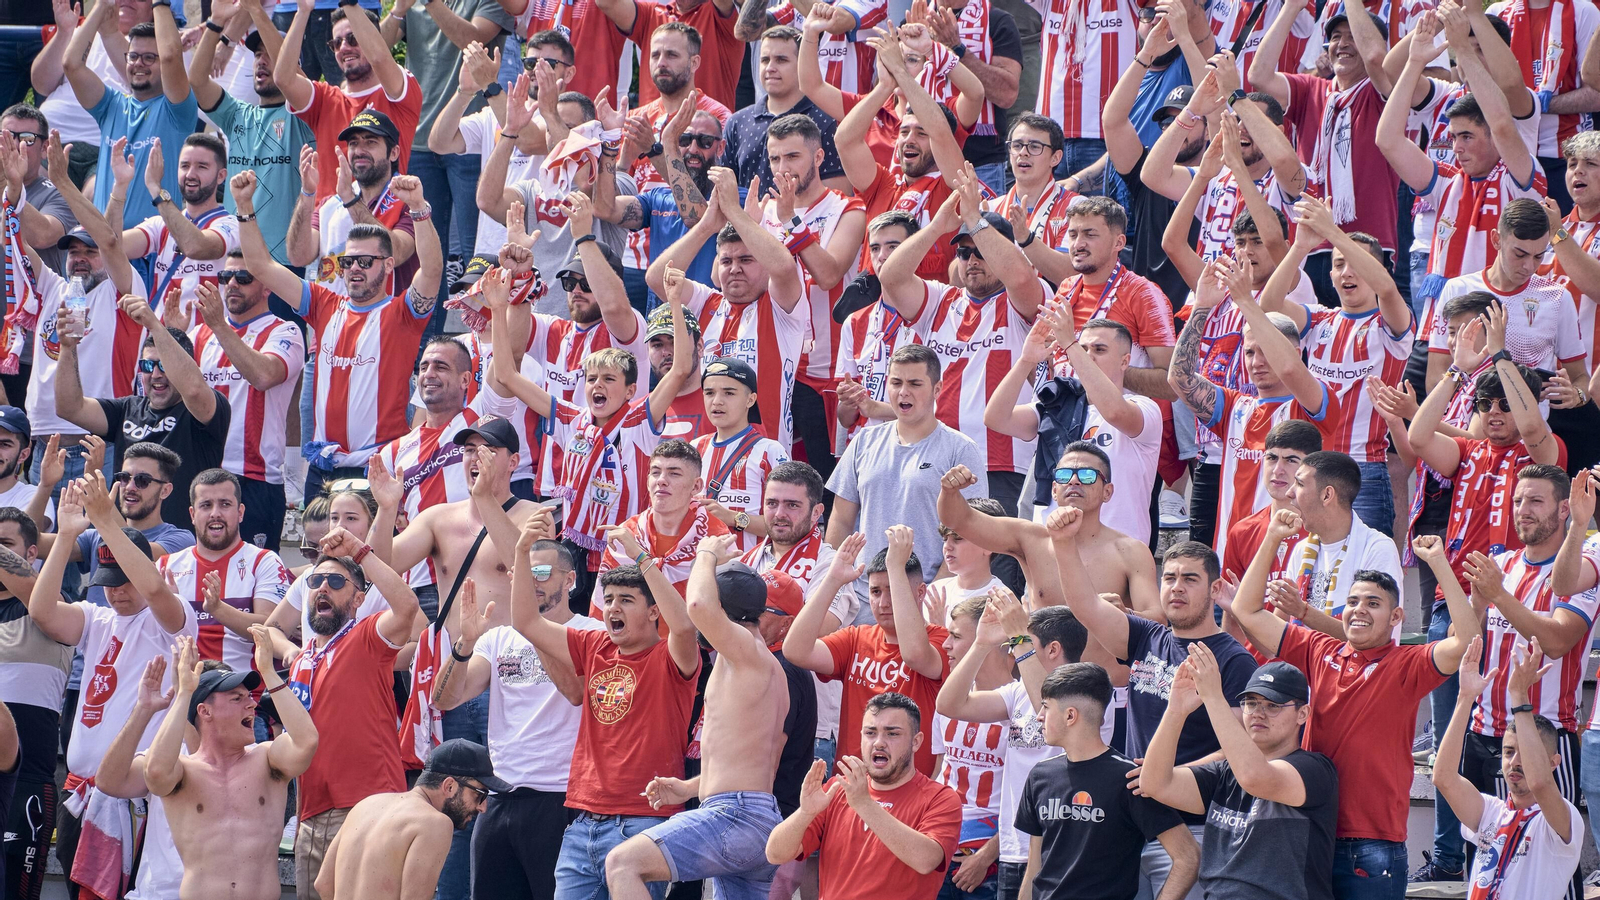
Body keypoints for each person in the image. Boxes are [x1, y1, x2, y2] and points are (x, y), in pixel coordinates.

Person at [1230, 512, 1477, 899]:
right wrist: (1274, 537)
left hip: (1371, 843)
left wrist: (1439, 563)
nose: (1359, 609)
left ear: (1397, 617)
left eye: (1373, 603)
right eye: (1353, 601)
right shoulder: (1317, 648)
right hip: (1311, 828)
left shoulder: (1407, 664)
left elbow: (1465, 641)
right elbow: (1246, 612)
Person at [1047, 513, 1253, 900]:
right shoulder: (1145, 635)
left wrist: (1167, 775)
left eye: (1190, 579)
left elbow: (1241, 748)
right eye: (1169, 578)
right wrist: (1063, 543)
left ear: (1215, 589)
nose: (1176, 588)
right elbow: (1085, 606)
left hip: (1192, 825)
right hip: (1132, 824)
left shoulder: (1234, 659)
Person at [508, 508, 701, 900]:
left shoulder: (671, 656)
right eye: (608, 599)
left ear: (652, 612)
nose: (612, 608)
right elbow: (527, 623)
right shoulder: (594, 644)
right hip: (582, 823)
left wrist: (639, 555)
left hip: (643, 824)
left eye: (626, 600)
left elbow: (683, 625)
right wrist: (522, 550)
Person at [25, 473, 198, 895]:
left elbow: (155, 588)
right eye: (108, 581)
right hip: (81, 792)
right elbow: (43, 612)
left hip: (136, 797)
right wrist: (66, 536)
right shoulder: (98, 619)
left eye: (123, 580)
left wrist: (105, 521)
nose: (116, 591)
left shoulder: (171, 621)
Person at [484, 264, 692, 603]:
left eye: (609, 379)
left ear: (630, 391)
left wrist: (673, 303)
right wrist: (497, 309)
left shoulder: (640, 418)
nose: (597, 385)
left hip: (625, 551)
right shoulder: (570, 417)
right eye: (592, 379)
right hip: (574, 550)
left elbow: (681, 368)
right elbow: (506, 374)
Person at [231, 167, 442, 500]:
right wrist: (244, 207)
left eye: (365, 261)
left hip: (379, 465)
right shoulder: (323, 302)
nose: (354, 268)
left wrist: (418, 208)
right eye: (348, 261)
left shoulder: (402, 313)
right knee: (320, 553)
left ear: (388, 266)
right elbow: (260, 267)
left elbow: (431, 270)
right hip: (324, 467)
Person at [607, 541, 791, 900]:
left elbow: (697, 606)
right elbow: (749, 756)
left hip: (736, 816)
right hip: (758, 819)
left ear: (723, 609)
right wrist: (690, 788)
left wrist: (705, 553)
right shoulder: (765, 667)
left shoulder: (745, 649)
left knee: (622, 864)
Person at [432, 538, 603, 900]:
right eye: (522, 572)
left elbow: (576, 692)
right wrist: (463, 644)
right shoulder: (497, 639)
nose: (531, 580)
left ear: (570, 579)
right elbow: (446, 699)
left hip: (562, 798)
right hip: (499, 797)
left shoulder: (593, 633)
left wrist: (532, 627)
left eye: (540, 571)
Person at [874, 168, 1044, 515]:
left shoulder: (1021, 301)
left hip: (1002, 464)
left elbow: (1021, 275)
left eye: (980, 250)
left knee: (995, 567)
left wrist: (975, 220)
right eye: (964, 253)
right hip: (936, 459)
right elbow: (890, 276)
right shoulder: (939, 299)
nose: (972, 260)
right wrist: (937, 228)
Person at [280, 527, 424, 900]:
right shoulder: (303, 659)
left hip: (367, 807)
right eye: (315, 581)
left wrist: (360, 552)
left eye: (335, 581)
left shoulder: (366, 636)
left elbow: (406, 607)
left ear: (359, 599)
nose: (323, 588)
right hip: (311, 814)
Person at [1167, 258, 1336, 564]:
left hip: (1293, 563)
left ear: (1295, 353)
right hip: (1232, 560)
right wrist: (1202, 307)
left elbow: (1287, 368)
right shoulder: (1234, 407)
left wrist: (1245, 301)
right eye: (1249, 352)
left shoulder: (1313, 403)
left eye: (1266, 350)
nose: (1257, 362)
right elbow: (1178, 379)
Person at [1138, 651, 1339, 900]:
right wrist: (1176, 710)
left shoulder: (1315, 769)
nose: (1258, 713)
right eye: (1251, 703)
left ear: (1302, 714)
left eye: (1273, 705)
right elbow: (1155, 784)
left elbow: (1255, 778)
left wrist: (1212, 696)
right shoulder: (1226, 772)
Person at [935, 597, 1093, 900]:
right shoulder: (1017, 691)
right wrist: (981, 645)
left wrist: (1019, 636)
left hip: (1057, 848)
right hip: (1012, 847)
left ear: (1053, 649)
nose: (1013, 650)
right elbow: (949, 704)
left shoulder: (1086, 689)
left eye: (1023, 643)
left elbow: (1051, 714)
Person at [143, 627, 318, 900]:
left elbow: (306, 742)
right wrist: (184, 694)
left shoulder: (267, 759)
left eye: (249, 697)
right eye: (237, 698)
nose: (251, 705)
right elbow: (155, 773)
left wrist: (269, 673)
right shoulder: (184, 771)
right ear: (205, 711)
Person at [646, 167, 810, 451]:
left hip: (763, 455)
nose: (734, 269)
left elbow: (783, 267)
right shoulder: (707, 302)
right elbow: (657, 277)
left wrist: (735, 211)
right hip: (706, 454)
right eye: (726, 261)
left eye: (746, 260)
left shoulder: (781, 308)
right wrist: (708, 224)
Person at [1251, 0, 1403, 303]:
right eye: (1335, 37)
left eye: (1352, 36)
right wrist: (1291, 8)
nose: (1343, 44)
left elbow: (1374, 56)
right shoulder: (1313, 90)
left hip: (1367, 242)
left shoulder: (1384, 92)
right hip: (1311, 245)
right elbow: (1259, 75)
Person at [1015, 663, 1199, 900]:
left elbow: (1188, 857)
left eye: (1046, 707)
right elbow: (1034, 867)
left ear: (1070, 715)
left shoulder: (1130, 779)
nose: (1039, 716)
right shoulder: (1039, 775)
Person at [55, 292, 231, 532]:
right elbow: (69, 408)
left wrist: (155, 326)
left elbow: (193, 389)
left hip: (181, 546)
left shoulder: (204, 409)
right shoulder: (127, 408)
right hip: (128, 541)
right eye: (148, 365)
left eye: (164, 366)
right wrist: (67, 348)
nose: (155, 374)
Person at [380, 0, 513, 313]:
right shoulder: (411, 5)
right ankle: (429, 351)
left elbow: (472, 41)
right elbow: (377, 50)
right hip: (418, 140)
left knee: (478, 253)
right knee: (425, 255)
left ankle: (487, 347)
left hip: (469, 141)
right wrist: (399, 9)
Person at [764, 693, 964, 900]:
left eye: (892, 734)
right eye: (870, 733)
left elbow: (926, 860)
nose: (879, 743)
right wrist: (805, 813)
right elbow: (775, 854)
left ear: (916, 741)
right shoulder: (837, 788)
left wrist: (864, 804)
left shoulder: (940, 798)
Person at [785, 526, 950, 775]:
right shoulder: (857, 638)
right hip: (850, 791)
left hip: (910, 799)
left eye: (893, 590)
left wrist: (896, 567)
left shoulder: (941, 639)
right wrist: (833, 579)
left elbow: (915, 655)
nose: (883, 603)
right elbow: (795, 650)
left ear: (920, 593)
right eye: (875, 592)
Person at [826, 343, 986, 598]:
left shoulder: (961, 449)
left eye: (914, 384)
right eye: (896, 383)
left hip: (926, 597)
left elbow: (972, 531)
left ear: (937, 389)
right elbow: (841, 520)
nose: (903, 392)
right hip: (860, 596)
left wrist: (937, 593)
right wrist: (833, 584)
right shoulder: (863, 441)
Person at [985, 313, 1163, 542]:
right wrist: (1026, 360)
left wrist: (1070, 344)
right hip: (1053, 549)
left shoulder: (1144, 407)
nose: (1088, 356)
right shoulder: (1058, 404)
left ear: (1125, 361)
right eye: (1083, 349)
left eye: (1099, 350)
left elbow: (1114, 412)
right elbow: (996, 418)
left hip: (1115, 556)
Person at [1437, 637, 1583, 899]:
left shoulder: (1561, 818)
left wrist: (1519, 697)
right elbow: (1444, 778)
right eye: (1508, 752)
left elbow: (1540, 784)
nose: (1515, 761)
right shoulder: (1490, 811)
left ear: (1553, 763)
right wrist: (1464, 699)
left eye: (1525, 752)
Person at [937, 448, 1160, 617]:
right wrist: (949, 492)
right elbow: (959, 520)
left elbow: (1157, 619)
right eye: (1064, 475)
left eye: (1088, 475)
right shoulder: (1029, 538)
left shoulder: (1130, 551)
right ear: (1054, 489)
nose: (1074, 480)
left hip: (1108, 677)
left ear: (1107, 491)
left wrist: (1126, 615)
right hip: (1044, 675)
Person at [191, 0, 316, 267]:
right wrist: (214, 24)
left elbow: (293, 76)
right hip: (235, 264)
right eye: (257, 55)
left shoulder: (306, 117)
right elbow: (198, 81)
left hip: (286, 266)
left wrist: (256, 12)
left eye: (270, 55)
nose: (261, 61)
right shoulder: (237, 114)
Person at [189, 270, 305, 552]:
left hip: (255, 478)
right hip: (202, 475)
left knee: (254, 579)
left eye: (243, 277)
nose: (231, 284)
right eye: (226, 276)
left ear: (267, 286)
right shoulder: (199, 334)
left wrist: (219, 326)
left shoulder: (284, 331)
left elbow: (264, 375)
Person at [60, 0, 197, 228]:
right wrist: (101, 6)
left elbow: (171, 56)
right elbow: (71, 64)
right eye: (133, 56)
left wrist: (159, 4)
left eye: (149, 58)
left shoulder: (177, 109)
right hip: (106, 247)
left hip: (155, 249)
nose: (138, 64)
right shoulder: (110, 105)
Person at [316, 739, 506, 900]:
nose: (483, 807)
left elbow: (323, 884)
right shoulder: (435, 823)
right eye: (479, 795)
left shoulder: (365, 805)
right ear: (449, 786)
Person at [277, 0, 423, 201]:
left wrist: (349, 4)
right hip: (328, 222)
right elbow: (283, 79)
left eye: (353, 39)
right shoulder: (324, 98)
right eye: (336, 43)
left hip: (382, 219)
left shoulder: (400, 91)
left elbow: (379, 58)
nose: (344, 48)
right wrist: (302, 12)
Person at [157, 469, 291, 679]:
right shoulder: (167, 566)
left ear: (240, 512)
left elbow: (270, 630)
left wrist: (218, 609)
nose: (215, 513)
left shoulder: (263, 561)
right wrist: (172, 608)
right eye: (206, 505)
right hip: (182, 695)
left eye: (225, 504)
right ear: (192, 514)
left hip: (245, 696)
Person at [0, 506, 64, 900]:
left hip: (25, 787)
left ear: (31, 555)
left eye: (5, 545)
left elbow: (33, 591)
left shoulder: (48, 610)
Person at [590, 440, 733, 616]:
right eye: (655, 473)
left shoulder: (717, 539)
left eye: (674, 474)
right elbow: (602, 614)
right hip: (634, 642)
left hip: (692, 642)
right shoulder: (626, 535)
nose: (662, 481)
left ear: (696, 486)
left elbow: (726, 619)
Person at [286, 111, 421, 297]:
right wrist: (307, 193)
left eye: (370, 142)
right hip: (333, 319)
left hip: (385, 320)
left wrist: (350, 200)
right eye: (353, 143)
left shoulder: (410, 201)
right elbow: (298, 256)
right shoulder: (329, 205)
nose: (359, 151)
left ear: (394, 152)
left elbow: (396, 253)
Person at [929, 594, 1012, 900]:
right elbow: (941, 771)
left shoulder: (1023, 703)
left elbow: (1028, 795)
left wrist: (987, 856)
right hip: (942, 840)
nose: (946, 645)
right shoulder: (948, 699)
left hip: (991, 855)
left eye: (955, 636)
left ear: (989, 640)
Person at [1276, 451, 1405, 639]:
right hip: (1303, 666)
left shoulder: (1377, 548)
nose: (1289, 493)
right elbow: (1277, 638)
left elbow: (1377, 636)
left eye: (1300, 484)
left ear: (1327, 495)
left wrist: (1303, 612)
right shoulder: (1301, 550)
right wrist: (1237, 608)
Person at [719, 26, 847, 194]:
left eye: (781, 60)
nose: (770, 67)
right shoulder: (737, 122)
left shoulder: (827, 120)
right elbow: (724, 189)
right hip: (745, 219)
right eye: (765, 60)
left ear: (803, 63)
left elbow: (836, 196)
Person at [690, 358, 789, 552]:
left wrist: (733, 518)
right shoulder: (694, 448)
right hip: (697, 569)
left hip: (751, 572)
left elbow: (789, 523)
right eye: (709, 393)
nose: (717, 401)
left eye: (729, 393)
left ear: (750, 399)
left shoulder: (770, 451)